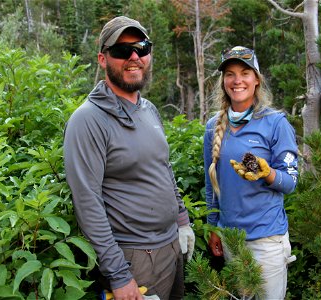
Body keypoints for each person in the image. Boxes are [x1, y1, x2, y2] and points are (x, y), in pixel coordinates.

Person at [63, 16, 195, 300]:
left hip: (171, 246)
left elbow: (163, 167)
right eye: (122, 51)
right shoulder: (88, 120)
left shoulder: (148, 109)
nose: (134, 57)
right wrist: (119, 274)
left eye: (142, 48)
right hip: (135, 259)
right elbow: (87, 203)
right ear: (102, 58)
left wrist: (182, 220)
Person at [204, 46, 299, 299]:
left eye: (245, 73)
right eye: (230, 74)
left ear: (257, 79)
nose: (237, 81)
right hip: (231, 239)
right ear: (223, 81)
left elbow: (290, 182)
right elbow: (211, 182)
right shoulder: (213, 126)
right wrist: (213, 227)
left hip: (266, 241)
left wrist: (267, 173)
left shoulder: (276, 123)